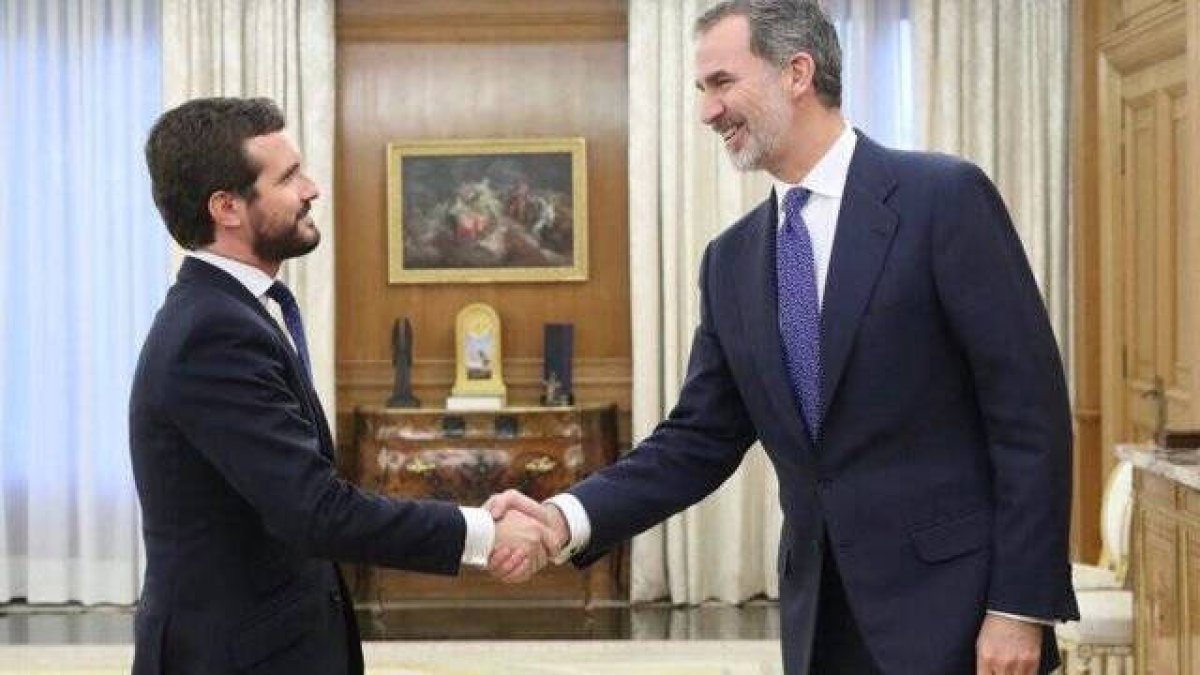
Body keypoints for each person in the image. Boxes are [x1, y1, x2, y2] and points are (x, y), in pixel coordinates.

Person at [486, 2, 1078, 673]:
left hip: (961, 615)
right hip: (820, 620)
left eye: (721, 83)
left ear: (798, 72)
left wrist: (1019, 606)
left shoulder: (941, 199)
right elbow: (696, 439)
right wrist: (565, 517)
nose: (708, 111)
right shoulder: (732, 260)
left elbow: (1030, 417)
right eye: (702, 91)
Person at [130, 97, 552, 675]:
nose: (312, 189)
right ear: (227, 207)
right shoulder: (213, 331)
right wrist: (483, 531)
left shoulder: (227, 312)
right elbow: (314, 511)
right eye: (288, 177)